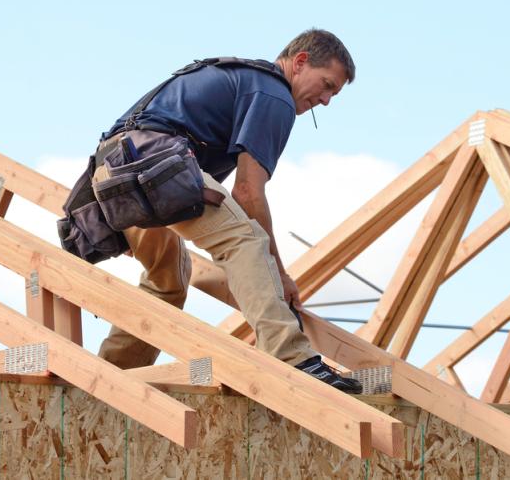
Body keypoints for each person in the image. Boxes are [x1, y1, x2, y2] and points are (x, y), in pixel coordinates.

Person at [90, 29, 362, 393]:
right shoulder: (274, 93)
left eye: (334, 94)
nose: (326, 100)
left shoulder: (241, 80)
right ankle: (293, 359)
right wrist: (279, 273)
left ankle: (109, 380)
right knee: (245, 240)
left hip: (115, 175)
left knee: (167, 280)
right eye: (327, 85)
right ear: (299, 62)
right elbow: (248, 192)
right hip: (153, 164)